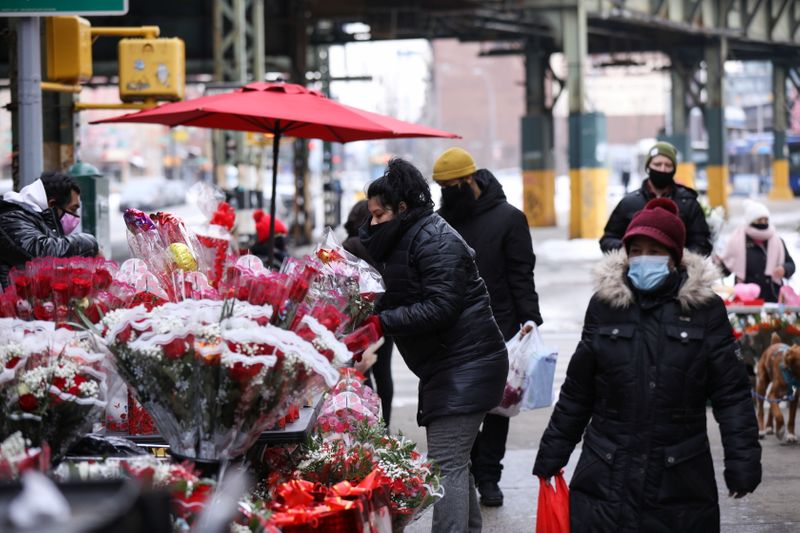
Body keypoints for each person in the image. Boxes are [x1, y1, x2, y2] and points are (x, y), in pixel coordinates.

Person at [533, 198, 761, 532]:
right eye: (635, 250)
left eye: (654, 251)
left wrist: (743, 461)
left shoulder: (704, 310)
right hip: (606, 473)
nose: (643, 259)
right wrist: (553, 451)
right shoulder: (605, 305)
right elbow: (577, 392)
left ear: (674, 257)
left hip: (679, 478)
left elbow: (732, 394)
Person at [360, 158, 508, 533]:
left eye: (380, 215)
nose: (374, 223)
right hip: (450, 364)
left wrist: (382, 321)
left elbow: (441, 306)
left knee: (445, 465)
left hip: (467, 364)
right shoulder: (405, 237)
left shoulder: (435, 239)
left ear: (402, 209)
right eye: (371, 216)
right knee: (456, 463)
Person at [433, 147, 543, 507]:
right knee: (463, 408)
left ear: (470, 180)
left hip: (502, 328)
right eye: (442, 187)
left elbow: (520, 273)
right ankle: (471, 467)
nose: (448, 193)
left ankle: (490, 476)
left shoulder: (509, 218)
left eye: (452, 186)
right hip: (454, 331)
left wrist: (529, 318)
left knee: (498, 407)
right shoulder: (440, 221)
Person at [600, 141, 712, 256]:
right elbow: (608, 239)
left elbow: (702, 242)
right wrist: (631, 251)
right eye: (657, 164)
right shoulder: (629, 203)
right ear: (648, 167)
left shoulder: (688, 203)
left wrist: (680, 258)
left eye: (668, 165)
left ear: (674, 169)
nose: (662, 169)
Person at [342, 199, 395, 427]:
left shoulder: (350, 245)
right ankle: (385, 425)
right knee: (384, 372)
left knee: (363, 371)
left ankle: (370, 421)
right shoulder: (382, 242)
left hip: (359, 320)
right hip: (385, 317)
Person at [0, 172, 99, 288]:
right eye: (73, 209)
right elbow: (43, 251)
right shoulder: (11, 218)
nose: (76, 216)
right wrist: (91, 243)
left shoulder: (38, 221)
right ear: (52, 204)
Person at [716, 200, 795, 303]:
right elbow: (726, 269)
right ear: (751, 221)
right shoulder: (737, 241)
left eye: (765, 220)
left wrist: (784, 269)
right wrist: (717, 264)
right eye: (759, 220)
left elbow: (791, 264)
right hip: (746, 302)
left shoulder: (777, 241)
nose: (763, 223)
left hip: (773, 299)